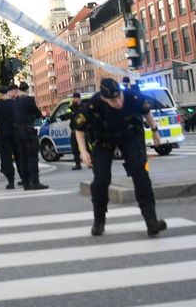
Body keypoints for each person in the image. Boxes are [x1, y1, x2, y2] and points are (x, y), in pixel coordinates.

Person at [74, 78, 167, 237]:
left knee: (141, 175)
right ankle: (99, 221)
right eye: (112, 100)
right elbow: (79, 128)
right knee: (101, 179)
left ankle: (151, 221)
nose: (118, 102)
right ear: (103, 98)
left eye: (119, 97)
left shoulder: (132, 97)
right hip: (103, 140)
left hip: (129, 136)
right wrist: (83, 152)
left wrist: (155, 131)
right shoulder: (93, 104)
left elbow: (147, 112)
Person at [13, 82, 48, 190]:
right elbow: (37, 113)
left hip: (19, 132)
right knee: (32, 157)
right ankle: (35, 182)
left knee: (22, 158)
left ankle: (25, 183)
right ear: (27, 90)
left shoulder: (15, 102)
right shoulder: (29, 100)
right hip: (28, 131)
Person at [68, 92, 83, 169]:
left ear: (79, 98)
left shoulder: (83, 106)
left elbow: (81, 117)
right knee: (74, 147)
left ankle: (91, 162)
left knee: (86, 146)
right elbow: (69, 115)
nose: (74, 99)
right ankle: (78, 164)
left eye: (75, 98)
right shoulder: (71, 107)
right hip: (74, 130)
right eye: (73, 98)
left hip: (83, 130)